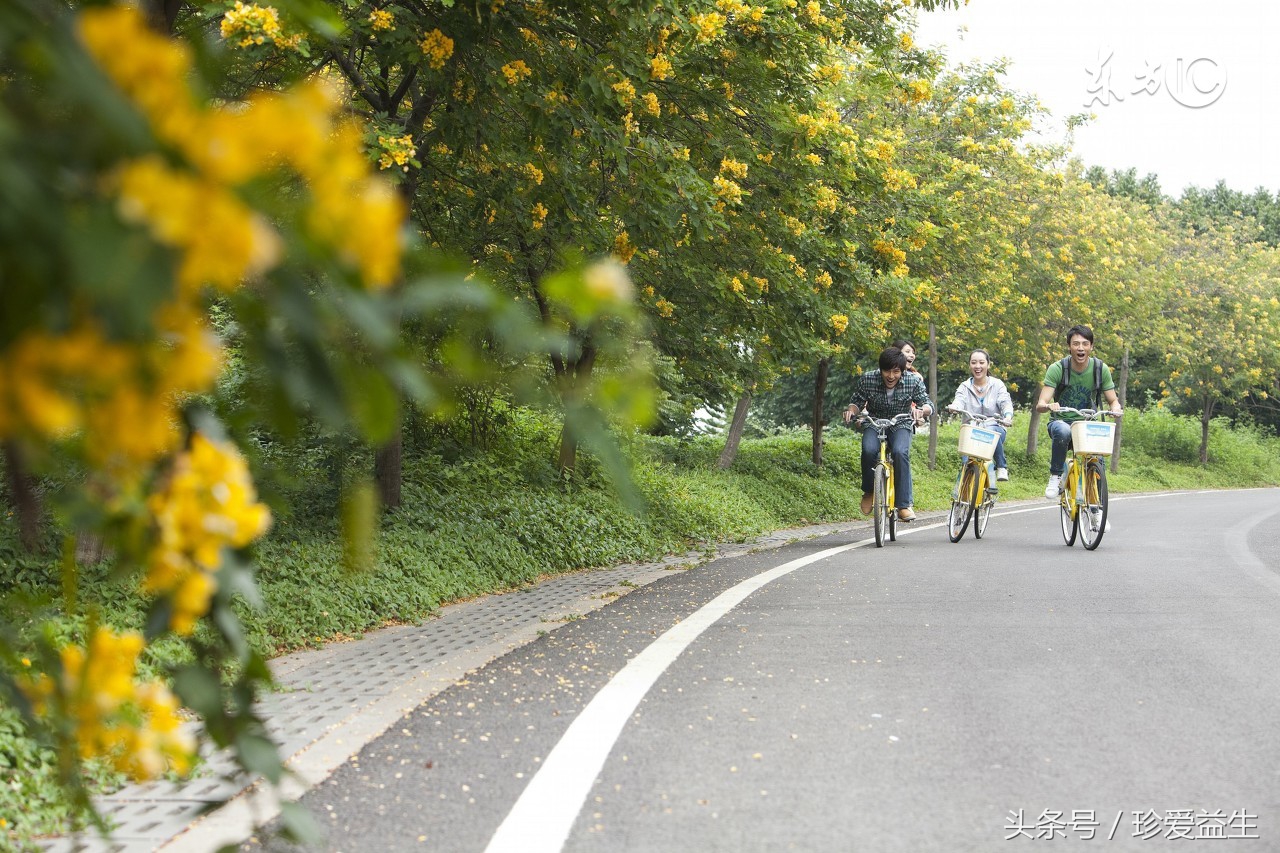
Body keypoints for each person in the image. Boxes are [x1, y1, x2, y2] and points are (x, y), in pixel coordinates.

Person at [842, 346, 934, 522]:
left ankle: (904, 504)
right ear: (880, 369)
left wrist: (921, 411)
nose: (891, 376)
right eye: (886, 371)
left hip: (900, 422)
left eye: (896, 372)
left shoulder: (913, 381)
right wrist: (851, 411)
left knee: (900, 452)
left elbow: (927, 404)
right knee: (868, 450)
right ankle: (869, 490)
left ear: (902, 370)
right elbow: (856, 402)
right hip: (875, 422)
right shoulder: (868, 379)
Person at [1034, 325, 1122, 499]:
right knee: (1063, 430)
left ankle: (1097, 509)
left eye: (1085, 344)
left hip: (1088, 424)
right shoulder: (1058, 368)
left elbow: (1113, 400)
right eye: (1076, 344)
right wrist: (1048, 406)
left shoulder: (1100, 369)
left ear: (1091, 346)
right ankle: (1055, 475)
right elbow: (1041, 403)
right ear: (1069, 346)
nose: (1080, 348)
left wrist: (1115, 409)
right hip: (1061, 422)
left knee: (1097, 461)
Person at [948, 349, 1014, 481]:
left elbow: (1005, 402)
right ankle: (959, 495)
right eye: (974, 363)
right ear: (970, 365)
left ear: (988, 365)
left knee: (991, 430)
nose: (977, 366)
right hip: (971, 431)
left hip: (995, 427)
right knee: (966, 464)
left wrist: (1007, 416)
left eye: (981, 362)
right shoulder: (964, 386)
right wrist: (955, 407)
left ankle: (1001, 466)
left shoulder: (997, 384)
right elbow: (959, 400)